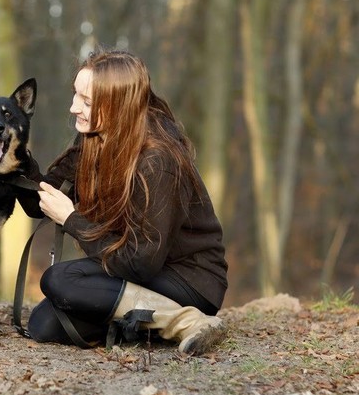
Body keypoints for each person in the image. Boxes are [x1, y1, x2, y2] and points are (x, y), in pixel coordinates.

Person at [17, 49, 228, 355]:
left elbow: (140, 263)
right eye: (76, 95)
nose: (74, 107)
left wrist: (72, 220)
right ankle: (142, 322)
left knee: (60, 279)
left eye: (87, 101)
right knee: (44, 324)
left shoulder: (157, 160)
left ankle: (186, 322)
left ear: (117, 105)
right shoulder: (94, 137)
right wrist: (12, 157)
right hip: (133, 264)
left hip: (188, 278)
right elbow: (40, 203)